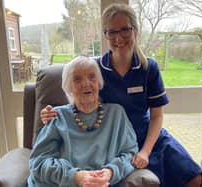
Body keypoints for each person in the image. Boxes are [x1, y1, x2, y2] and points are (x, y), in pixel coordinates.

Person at [40, 3, 202, 187]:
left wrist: (145, 152)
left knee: (193, 177)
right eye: (112, 32)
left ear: (135, 31)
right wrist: (50, 113)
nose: (119, 38)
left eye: (125, 30)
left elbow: (157, 116)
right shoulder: (96, 69)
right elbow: (78, 94)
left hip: (147, 136)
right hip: (114, 140)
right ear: (105, 35)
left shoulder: (149, 68)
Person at [28, 56, 138, 187]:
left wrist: (111, 172)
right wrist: (75, 177)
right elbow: (39, 162)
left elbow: (130, 153)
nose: (86, 84)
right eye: (77, 79)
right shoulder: (56, 116)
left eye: (92, 77)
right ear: (68, 87)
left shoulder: (116, 114)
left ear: (99, 83)